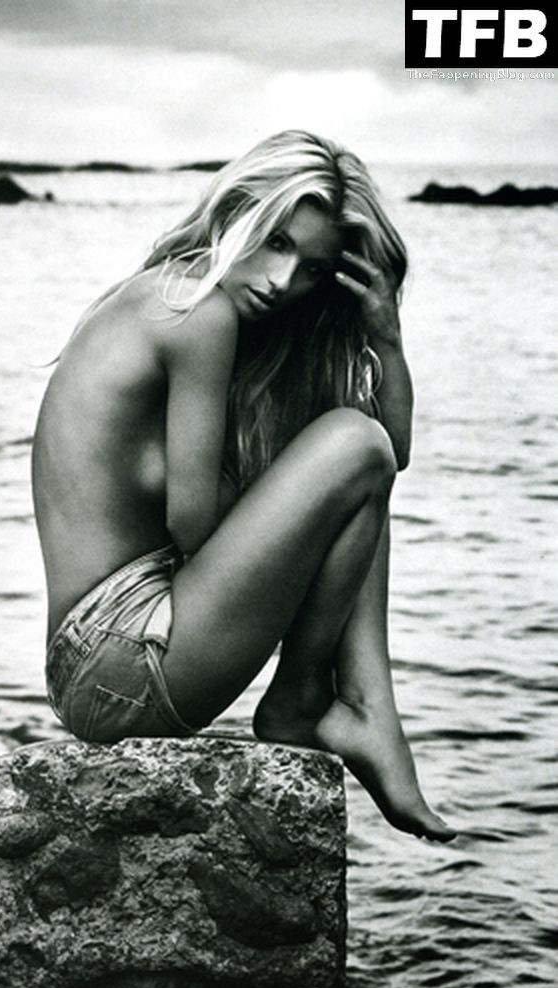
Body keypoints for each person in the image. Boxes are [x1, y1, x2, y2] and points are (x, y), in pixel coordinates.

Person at [32, 129, 456, 843]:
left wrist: (384, 334)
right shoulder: (199, 312)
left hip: (100, 665)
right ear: (235, 213)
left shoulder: (169, 295)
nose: (282, 280)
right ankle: (318, 702)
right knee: (352, 447)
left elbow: (393, 457)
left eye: (313, 269)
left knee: (357, 463)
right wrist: (294, 502)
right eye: (276, 242)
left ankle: (353, 707)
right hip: (121, 656)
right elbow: (194, 527)